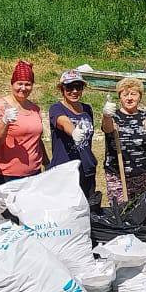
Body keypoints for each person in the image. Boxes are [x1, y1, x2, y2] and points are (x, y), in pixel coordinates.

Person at [0, 59, 46, 194]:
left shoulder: (35, 109)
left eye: (28, 84)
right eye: (20, 84)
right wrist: (5, 121)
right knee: (6, 215)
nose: (23, 88)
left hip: (33, 173)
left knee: (30, 213)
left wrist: (46, 162)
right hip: (6, 175)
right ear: (12, 84)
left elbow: (37, 140)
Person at [99, 77, 146, 204]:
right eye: (125, 94)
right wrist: (106, 115)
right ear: (120, 97)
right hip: (118, 175)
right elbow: (107, 128)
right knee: (120, 211)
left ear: (140, 96)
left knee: (140, 210)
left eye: (133, 94)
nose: (129, 98)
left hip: (142, 173)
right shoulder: (114, 116)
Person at [49, 69, 98, 199]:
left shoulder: (87, 109)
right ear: (62, 89)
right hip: (64, 169)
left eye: (78, 87)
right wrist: (73, 131)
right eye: (70, 87)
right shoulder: (56, 108)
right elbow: (62, 122)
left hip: (86, 167)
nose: (75, 91)